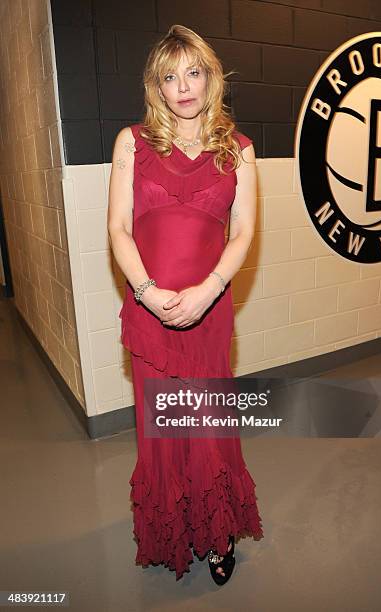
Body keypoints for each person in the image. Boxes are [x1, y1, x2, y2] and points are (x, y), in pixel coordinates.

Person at [107, 24, 264, 585]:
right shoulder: (132, 142)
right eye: (170, 76)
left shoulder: (239, 151)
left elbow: (243, 232)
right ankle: (175, 534)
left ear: (210, 78)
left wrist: (209, 289)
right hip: (151, 317)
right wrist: (148, 294)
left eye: (193, 72)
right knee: (164, 432)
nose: (183, 86)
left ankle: (217, 534)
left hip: (209, 313)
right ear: (157, 87)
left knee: (208, 429)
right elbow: (118, 230)